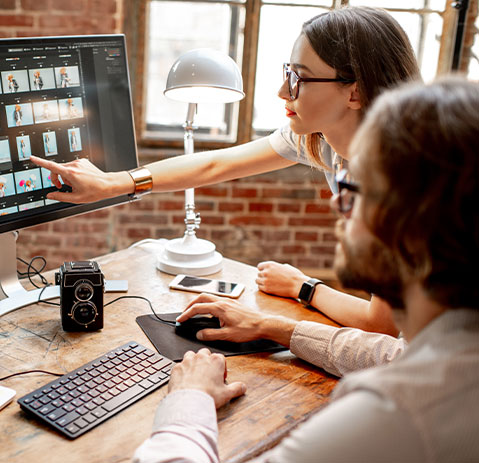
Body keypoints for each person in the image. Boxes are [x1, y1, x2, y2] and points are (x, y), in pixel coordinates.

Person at [132, 77, 479, 463]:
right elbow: (395, 353)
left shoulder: (401, 412)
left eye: (355, 189)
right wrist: (273, 327)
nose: (336, 205)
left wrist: (188, 400)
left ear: (411, 223)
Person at [32, 6, 419, 336]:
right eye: (288, 71)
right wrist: (113, 183)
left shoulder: (398, 178)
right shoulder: (321, 139)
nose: (283, 91)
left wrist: (303, 287)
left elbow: (380, 325)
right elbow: (217, 163)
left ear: (355, 92)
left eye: (299, 77)